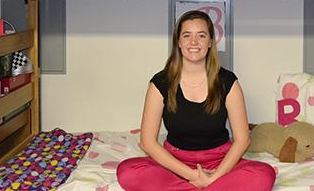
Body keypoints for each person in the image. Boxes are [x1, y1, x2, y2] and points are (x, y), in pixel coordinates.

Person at [116, 10, 275, 191]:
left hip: (220, 162)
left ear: (210, 42)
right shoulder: (160, 83)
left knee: (263, 174)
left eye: (201, 35)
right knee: (128, 171)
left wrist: (213, 177)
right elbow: (147, 142)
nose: (193, 42)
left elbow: (242, 140)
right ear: (178, 42)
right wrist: (195, 176)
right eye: (187, 35)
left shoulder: (227, 81)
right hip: (174, 163)